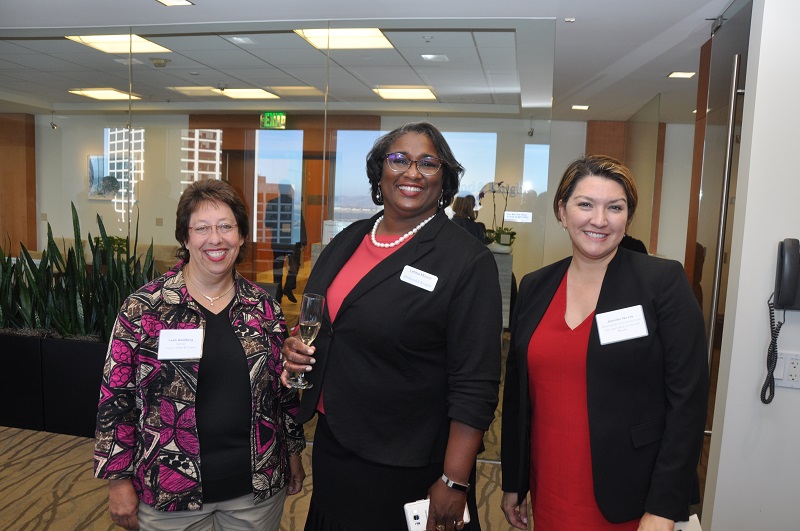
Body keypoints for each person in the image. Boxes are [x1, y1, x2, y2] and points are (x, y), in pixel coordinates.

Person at [281, 121, 503, 531]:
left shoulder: (465, 260)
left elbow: (476, 383)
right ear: (380, 171)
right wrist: (296, 348)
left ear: (445, 178)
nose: (412, 172)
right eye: (398, 159)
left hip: (407, 455)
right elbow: (327, 322)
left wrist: (454, 480)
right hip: (335, 441)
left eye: (428, 163)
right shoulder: (350, 239)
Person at [500, 155, 708, 531]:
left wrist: (663, 505)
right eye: (585, 205)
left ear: (627, 217)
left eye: (615, 207)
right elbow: (517, 394)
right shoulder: (535, 286)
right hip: (551, 485)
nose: (599, 220)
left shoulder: (662, 282)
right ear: (562, 211)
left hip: (633, 496)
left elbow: (688, 402)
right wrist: (514, 482)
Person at [94, 179, 306, 531]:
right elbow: (115, 399)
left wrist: (294, 451)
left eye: (226, 227)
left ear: (240, 236)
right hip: (170, 491)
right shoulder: (145, 308)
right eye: (202, 228)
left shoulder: (263, 308)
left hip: (255, 489)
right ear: (185, 237)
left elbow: (281, 393)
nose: (216, 238)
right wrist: (117, 480)